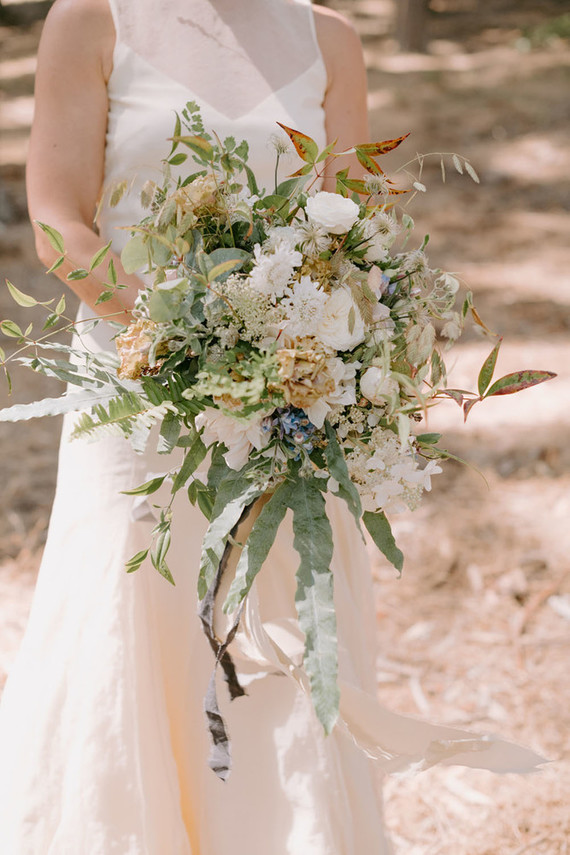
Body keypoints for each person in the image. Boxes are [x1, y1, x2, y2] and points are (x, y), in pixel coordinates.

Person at [0, 2, 543, 853]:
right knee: (131, 614)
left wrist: (343, 348)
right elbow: (59, 223)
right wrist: (181, 337)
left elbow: (348, 241)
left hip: (285, 405)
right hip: (136, 394)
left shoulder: (331, 40)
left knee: (275, 638)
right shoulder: (95, 19)